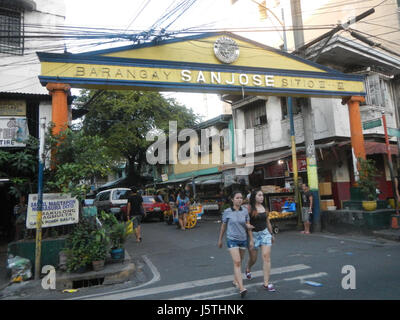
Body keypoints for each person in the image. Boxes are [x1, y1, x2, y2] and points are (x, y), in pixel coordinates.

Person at [218, 191, 254, 298]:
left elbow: (248, 226)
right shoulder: (227, 212)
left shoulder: (245, 211)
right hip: (232, 239)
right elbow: (223, 227)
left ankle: (235, 280)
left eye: (241, 198)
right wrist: (220, 240)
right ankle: (242, 288)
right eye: (237, 198)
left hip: (243, 239)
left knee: (239, 262)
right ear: (232, 200)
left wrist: (251, 240)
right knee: (237, 262)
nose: (239, 199)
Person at [245, 189, 276, 292]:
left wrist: (271, 234)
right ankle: (248, 268)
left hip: (265, 234)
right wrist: (250, 239)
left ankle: (266, 284)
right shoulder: (249, 208)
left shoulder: (265, 208)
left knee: (266, 257)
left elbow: (268, 222)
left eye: (262, 195)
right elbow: (246, 223)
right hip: (253, 235)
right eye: (259, 195)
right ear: (254, 197)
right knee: (253, 259)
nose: (262, 197)